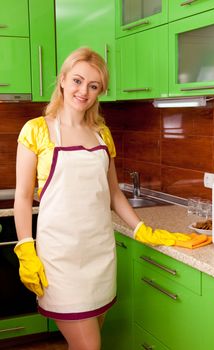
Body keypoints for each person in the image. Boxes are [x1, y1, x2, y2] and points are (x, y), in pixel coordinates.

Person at [13, 47, 201, 350]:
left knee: (87, 339)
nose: (83, 91)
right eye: (77, 80)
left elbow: (113, 192)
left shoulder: (101, 133)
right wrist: (26, 248)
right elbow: (22, 198)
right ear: (61, 80)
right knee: (89, 346)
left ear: (100, 91)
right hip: (59, 257)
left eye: (93, 85)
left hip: (99, 252)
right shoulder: (36, 131)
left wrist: (141, 228)